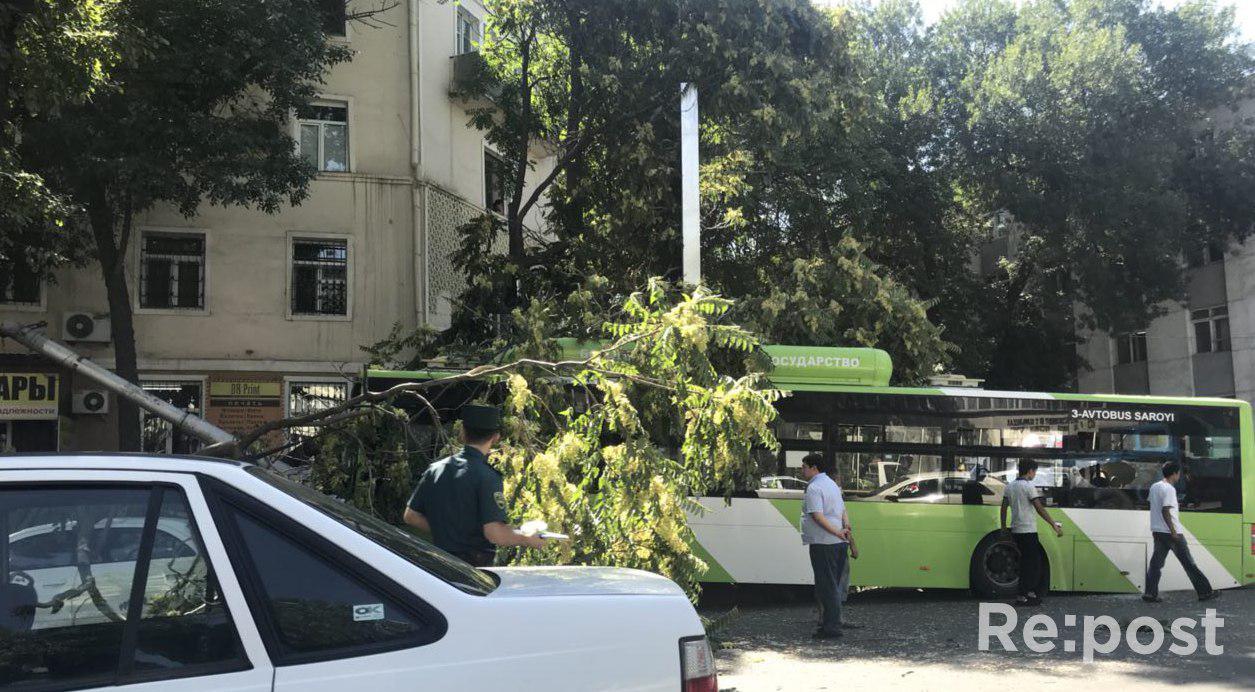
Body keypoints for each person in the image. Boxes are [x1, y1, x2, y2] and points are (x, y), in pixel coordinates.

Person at [403, 404, 546, 566]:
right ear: (496, 437)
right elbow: (494, 533)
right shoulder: (487, 476)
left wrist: (445, 531)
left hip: (440, 565)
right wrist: (526, 538)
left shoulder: (435, 469)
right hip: (473, 569)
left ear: (462, 433)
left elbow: (411, 516)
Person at [1143, 461, 1219, 603]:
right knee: (1189, 563)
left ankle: (1149, 593)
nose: (1179, 475)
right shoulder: (1169, 489)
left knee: (1156, 565)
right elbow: (1166, 510)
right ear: (1174, 473)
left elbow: (1154, 506)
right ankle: (1205, 592)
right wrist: (1173, 532)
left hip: (1158, 531)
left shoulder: (1155, 486)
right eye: (1178, 473)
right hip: (1171, 532)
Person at [1000, 459, 1063, 606]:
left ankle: (1028, 593)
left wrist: (1003, 527)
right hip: (1028, 530)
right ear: (1030, 471)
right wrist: (1053, 524)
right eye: (1034, 471)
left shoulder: (1009, 487)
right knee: (1032, 564)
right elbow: (1039, 508)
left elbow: (1003, 508)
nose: (1034, 474)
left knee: (1027, 562)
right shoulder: (1029, 487)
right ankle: (1023, 595)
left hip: (1016, 530)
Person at [801, 453, 850, 639]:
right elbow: (843, 510)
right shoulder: (831, 484)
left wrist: (837, 532)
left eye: (804, 466)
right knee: (833, 586)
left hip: (824, 542)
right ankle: (831, 624)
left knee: (827, 586)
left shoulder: (814, 488)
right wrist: (844, 529)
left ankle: (831, 627)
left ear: (814, 468)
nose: (802, 470)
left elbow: (817, 516)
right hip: (838, 543)